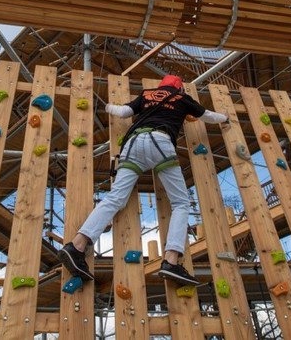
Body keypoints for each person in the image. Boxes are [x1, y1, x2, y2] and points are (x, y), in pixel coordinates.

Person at [59, 75, 228, 286]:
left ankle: (77, 246)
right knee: (181, 203)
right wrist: (226, 117)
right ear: (179, 87)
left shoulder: (146, 94)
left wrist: (108, 106)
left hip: (132, 144)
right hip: (160, 142)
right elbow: (209, 116)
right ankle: (171, 260)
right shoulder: (181, 98)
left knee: (115, 198)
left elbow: (123, 112)